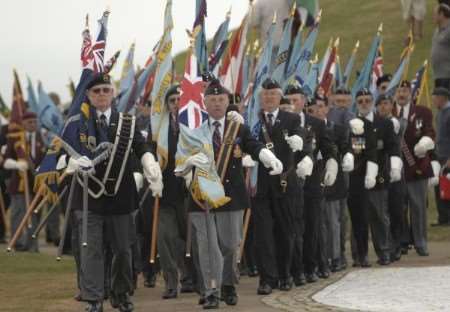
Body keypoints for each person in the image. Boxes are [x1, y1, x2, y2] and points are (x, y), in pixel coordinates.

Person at [58, 73, 163, 312]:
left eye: (106, 90)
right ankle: (94, 298)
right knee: (90, 248)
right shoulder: (76, 123)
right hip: (88, 197)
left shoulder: (127, 121)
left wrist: (148, 160)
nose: (102, 95)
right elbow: (58, 151)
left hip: (121, 196)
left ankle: (121, 293)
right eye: (96, 91)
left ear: (113, 93)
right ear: (88, 95)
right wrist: (69, 162)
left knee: (124, 250)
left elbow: (140, 145)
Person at [176, 79, 282, 309]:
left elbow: (253, 145)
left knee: (230, 244)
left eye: (221, 99)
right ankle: (211, 290)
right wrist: (187, 165)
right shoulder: (195, 130)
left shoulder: (238, 127)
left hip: (231, 196)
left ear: (227, 101)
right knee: (207, 246)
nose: (216, 103)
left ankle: (228, 284)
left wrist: (266, 156)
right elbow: (179, 162)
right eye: (212, 99)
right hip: (201, 195)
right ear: (204, 103)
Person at [252, 78, 308, 295]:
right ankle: (267, 279)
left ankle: (285, 275)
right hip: (261, 186)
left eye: (273, 94)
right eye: (265, 94)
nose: (269, 98)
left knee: (286, 233)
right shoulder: (254, 119)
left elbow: (301, 133)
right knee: (263, 235)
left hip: (285, 185)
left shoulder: (291, 118)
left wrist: (299, 140)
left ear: (279, 96)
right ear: (261, 97)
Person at [155, 84, 194, 299]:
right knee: (165, 238)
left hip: (191, 192)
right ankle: (171, 282)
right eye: (172, 101)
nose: (176, 104)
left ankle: (191, 278)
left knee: (190, 238)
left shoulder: (197, 125)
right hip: (166, 192)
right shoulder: (158, 129)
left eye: (180, 100)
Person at [394, 80, 435, 256]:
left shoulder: (422, 112)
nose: (402, 94)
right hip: (395, 169)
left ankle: (420, 242)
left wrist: (425, 143)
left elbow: (429, 132)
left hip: (417, 166)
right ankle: (402, 242)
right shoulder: (388, 111)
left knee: (418, 208)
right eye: (398, 90)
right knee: (398, 207)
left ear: (411, 92)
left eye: (405, 90)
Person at [4, 111, 46, 252]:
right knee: (19, 214)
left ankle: (32, 246)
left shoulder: (43, 138)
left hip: (38, 184)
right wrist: (16, 164)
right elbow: (5, 160)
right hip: (19, 183)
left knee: (35, 215)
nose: (33, 124)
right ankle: (18, 244)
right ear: (23, 123)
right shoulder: (15, 139)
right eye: (29, 122)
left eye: (35, 121)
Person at [376, 94, 407, 261]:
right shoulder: (374, 124)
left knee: (396, 209)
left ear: (391, 105)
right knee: (382, 211)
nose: (383, 107)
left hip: (395, 171)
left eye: (386, 103)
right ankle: (387, 245)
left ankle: (397, 243)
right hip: (380, 171)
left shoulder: (399, 122)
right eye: (380, 104)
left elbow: (399, 133)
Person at [431, 87, 450, 226]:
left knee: (447, 186)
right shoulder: (439, 114)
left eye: (435, 98)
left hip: (447, 157)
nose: (433, 101)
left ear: (442, 97)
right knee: (439, 187)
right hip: (439, 156)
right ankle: (443, 218)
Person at [432, 0, 450, 89]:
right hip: (438, 75)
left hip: (447, 76)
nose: (433, 16)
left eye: (435, 14)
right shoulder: (437, 30)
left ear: (442, 14)